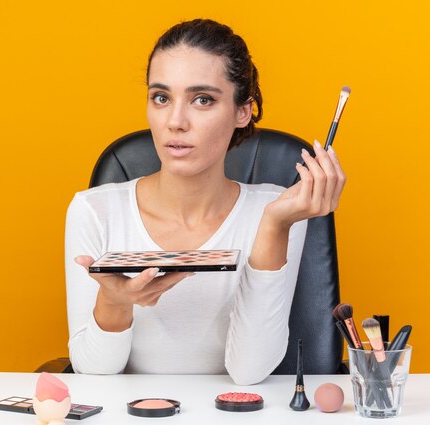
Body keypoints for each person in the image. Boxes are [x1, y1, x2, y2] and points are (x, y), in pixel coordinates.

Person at [66, 19, 346, 385]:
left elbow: (249, 371)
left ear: (242, 111)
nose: (175, 122)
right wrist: (116, 302)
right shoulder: (94, 211)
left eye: (203, 100)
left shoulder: (278, 210)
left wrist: (275, 225)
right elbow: (93, 372)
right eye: (161, 98)